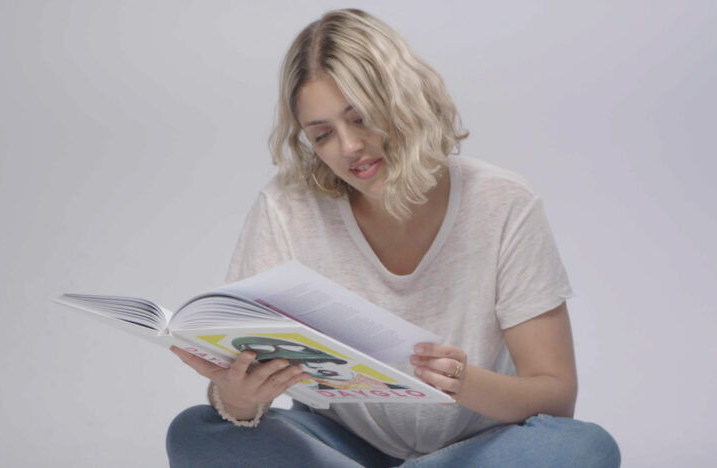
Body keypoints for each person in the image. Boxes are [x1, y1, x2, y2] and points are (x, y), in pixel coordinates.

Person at [167, 8, 620, 467]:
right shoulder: (285, 207)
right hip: (336, 446)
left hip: (477, 450)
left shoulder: (503, 203)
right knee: (195, 433)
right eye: (322, 135)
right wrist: (238, 400)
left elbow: (555, 396)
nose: (348, 147)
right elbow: (240, 385)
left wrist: (464, 383)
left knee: (585, 449)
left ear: (404, 101)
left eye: (361, 118)